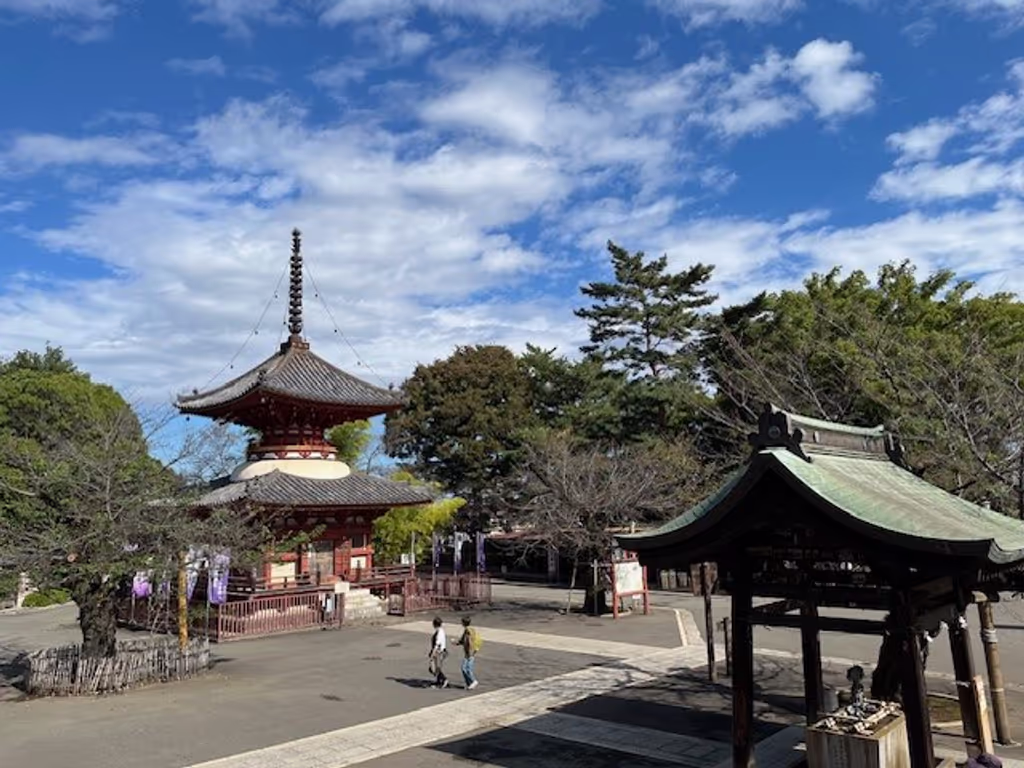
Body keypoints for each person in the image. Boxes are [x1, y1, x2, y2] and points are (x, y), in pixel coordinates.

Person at [457, 616, 479, 690]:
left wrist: (470, 651)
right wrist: (457, 643)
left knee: (466, 668)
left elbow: (468, 641)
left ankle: (473, 681)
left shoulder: (468, 631)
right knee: (465, 668)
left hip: (470, 653)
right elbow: (462, 640)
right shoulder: (470, 630)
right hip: (470, 652)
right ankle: (469, 683)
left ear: (463, 623)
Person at [428, 616, 448, 689]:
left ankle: (444, 679)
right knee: (436, 667)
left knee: (435, 668)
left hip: (439, 652)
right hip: (440, 651)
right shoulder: (440, 631)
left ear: (434, 624)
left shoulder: (439, 633)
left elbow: (437, 644)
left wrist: (433, 653)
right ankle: (439, 681)